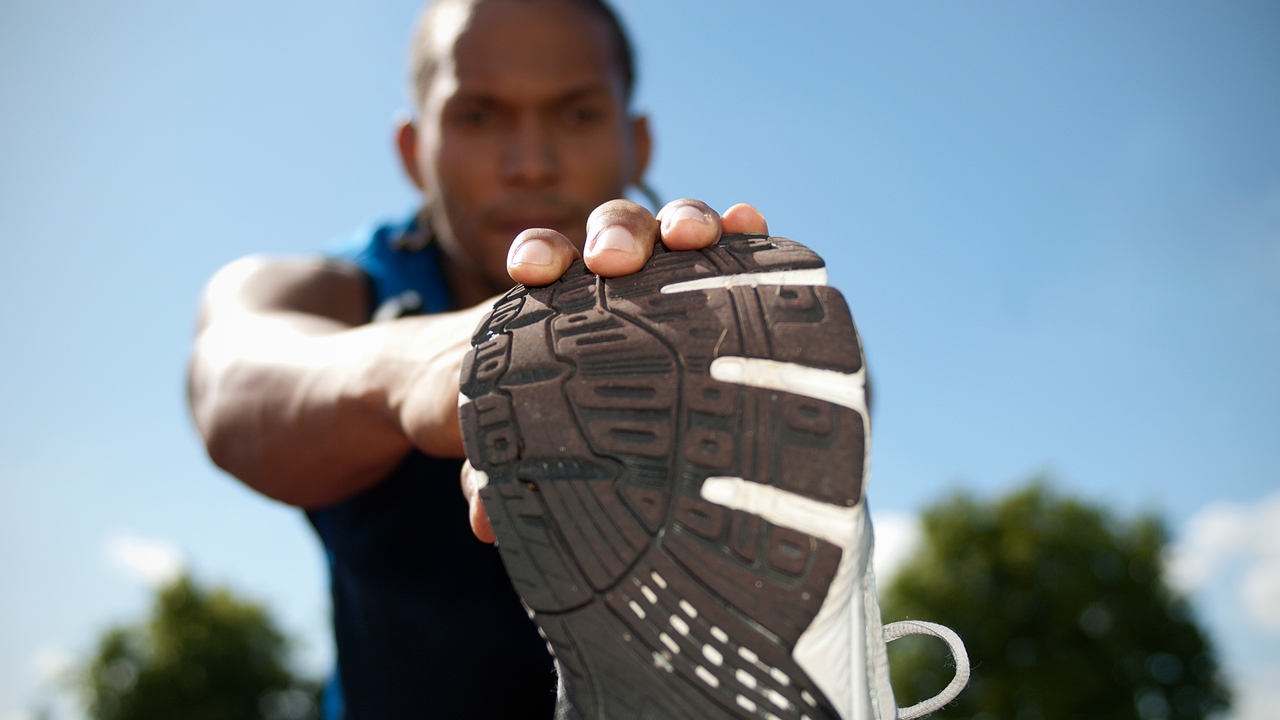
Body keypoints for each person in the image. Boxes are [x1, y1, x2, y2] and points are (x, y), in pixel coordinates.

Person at [187, 0, 770, 716]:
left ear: (637, 141)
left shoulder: (708, 302)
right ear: (413, 149)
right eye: (478, 116)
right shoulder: (337, 288)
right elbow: (233, 380)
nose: (531, 163)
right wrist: (437, 362)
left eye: (578, 114)